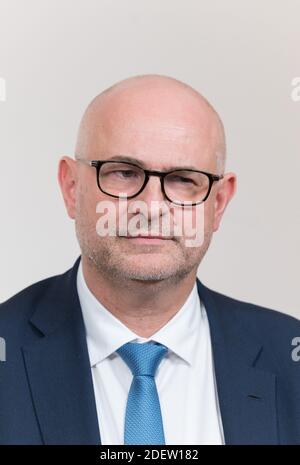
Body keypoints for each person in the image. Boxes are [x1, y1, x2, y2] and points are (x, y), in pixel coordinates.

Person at [0, 75, 299, 445]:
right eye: (124, 173)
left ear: (218, 203)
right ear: (71, 188)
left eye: (183, 179)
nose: (152, 207)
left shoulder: (290, 358)